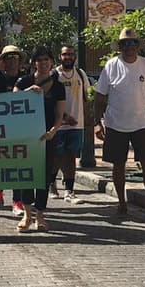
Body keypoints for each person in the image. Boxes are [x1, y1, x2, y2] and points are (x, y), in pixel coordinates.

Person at [93, 27, 145, 222]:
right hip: (115, 123)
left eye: (133, 43)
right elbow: (100, 97)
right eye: (125, 44)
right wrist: (97, 123)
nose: (129, 47)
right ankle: (122, 202)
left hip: (141, 123)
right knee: (118, 165)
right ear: (120, 47)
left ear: (138, 46)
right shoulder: (111, 66)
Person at [13, 47, 66, 233]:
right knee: (27, 174)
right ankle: (27, 215)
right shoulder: (24, 81)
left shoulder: (58, 86)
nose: (43, 63)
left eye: (46, 60)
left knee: (43, 175)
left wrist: (53, 131)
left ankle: (40, 215)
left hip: (47, 137)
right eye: (39, 60)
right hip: (26, 137)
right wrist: (27, 92)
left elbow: (60, 114)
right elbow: (12, 101)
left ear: (52, 62)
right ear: (33, 63)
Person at [0, 44, 25, 212]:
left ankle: (17, 201)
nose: (11, 61)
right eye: (8, 58)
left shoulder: (26, 78)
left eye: (14, 57)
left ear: (19, 60)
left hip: (21, 128)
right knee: (1, 162)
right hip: (0, 129)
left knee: (18, 164)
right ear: (3, 62)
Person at [53, 44, 91, 204]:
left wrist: (91, 121)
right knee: (56, 157)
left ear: (74, 56)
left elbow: (87, 98)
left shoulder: (81, 75)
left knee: (70, 157)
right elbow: (50, 100)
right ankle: (51, 184)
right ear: (60, 57)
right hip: (58, 124)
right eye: (64, 54)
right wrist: (63, 116)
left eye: (70, 54)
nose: (67, 57)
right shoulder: (54, 75)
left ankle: (69, 190)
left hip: (77, 124)